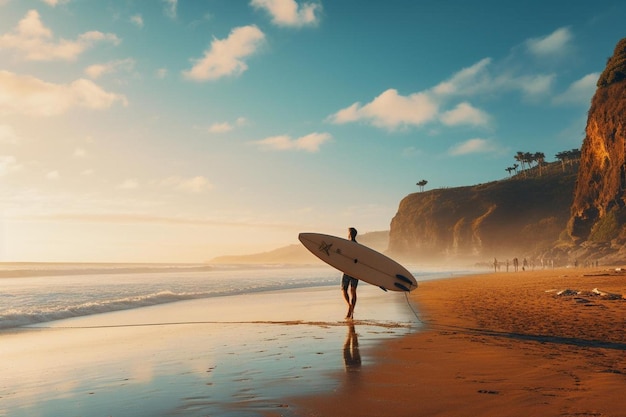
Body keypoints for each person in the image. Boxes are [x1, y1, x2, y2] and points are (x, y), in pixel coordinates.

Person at [341, 227, 359, 319]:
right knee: (353, 291)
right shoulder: (358, 247)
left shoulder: (347, 245)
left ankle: (349, 306)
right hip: (355, 271)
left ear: (350, 234)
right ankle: (351, 311)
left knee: (344, 290)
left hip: (348, 271)